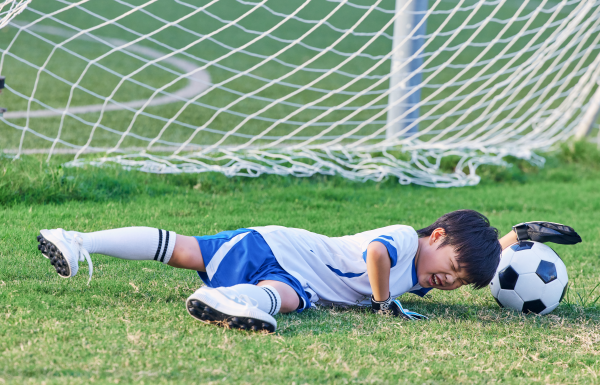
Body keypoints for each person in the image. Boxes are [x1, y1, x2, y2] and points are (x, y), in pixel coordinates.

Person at [36, 210, 581, 332]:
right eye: (452, 270)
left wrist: (515, 239)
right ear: (434, 237)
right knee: (287, 295)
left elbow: (467, 258)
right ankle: (78, 240)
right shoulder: (400, 243)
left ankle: (78, 241)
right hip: (285, 253)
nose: (450, 282)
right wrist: (382, 300)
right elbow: (374, 261)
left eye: (459, 283)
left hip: (273, 251)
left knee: (183, 251)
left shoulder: (426, 267)